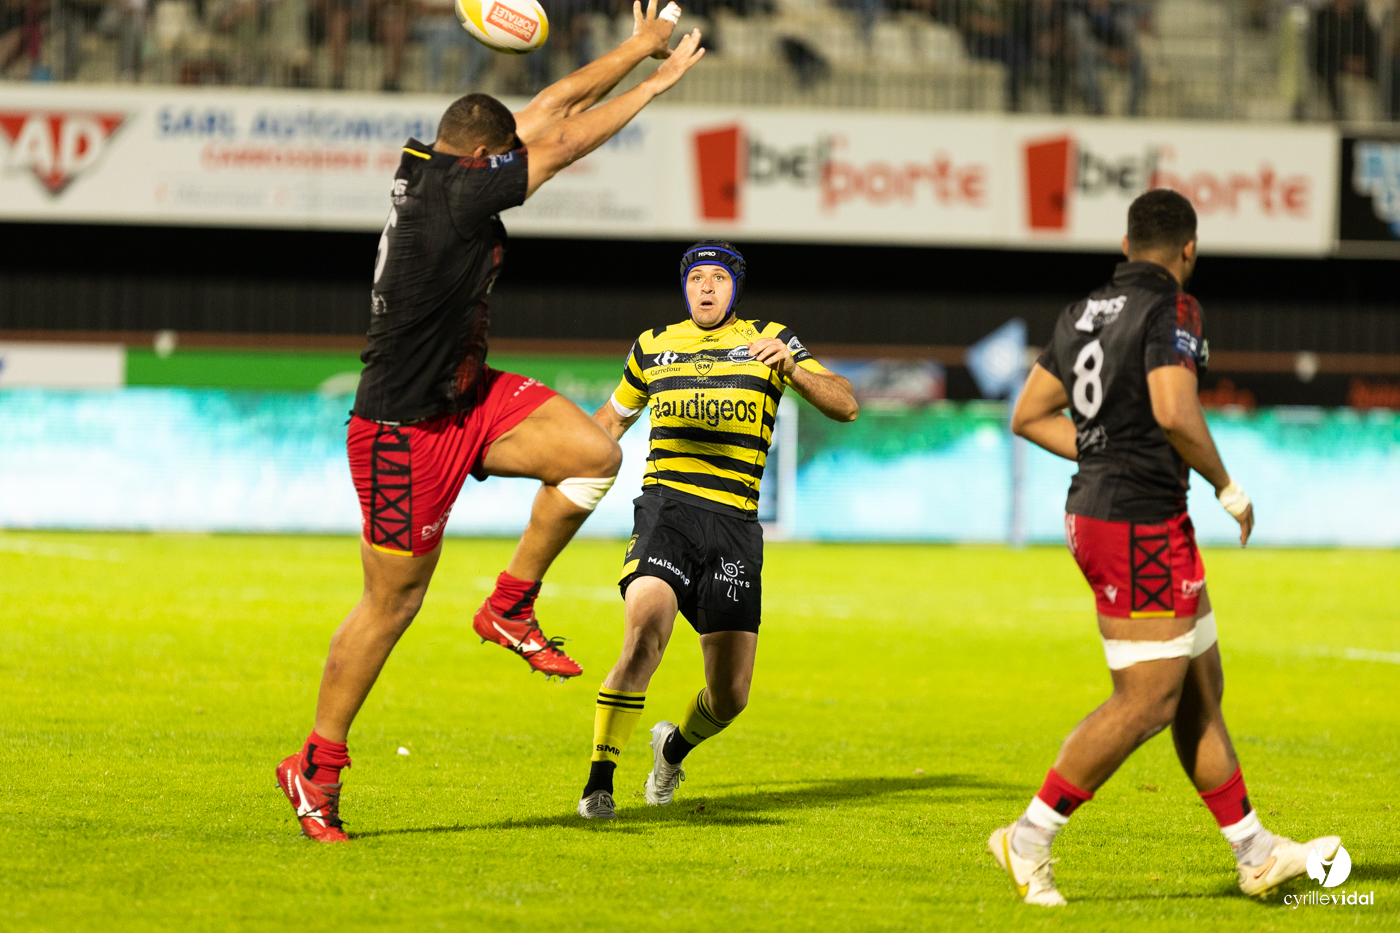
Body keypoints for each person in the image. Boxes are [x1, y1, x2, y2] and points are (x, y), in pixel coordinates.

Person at [276, 2, 704, 843]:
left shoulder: (434, 163)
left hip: (466, 396)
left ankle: (511, 603)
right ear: (481, 161)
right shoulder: (464, 200)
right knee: (390, 604)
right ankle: (315, 766)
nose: (518, 166)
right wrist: (658, 80)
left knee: (591, 451)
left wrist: (637, 42)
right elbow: (569, 140)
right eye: (503, 160)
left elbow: (544, 113)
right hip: (403, 430)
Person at [995, 189, 1341, 905]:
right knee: (1148, 700)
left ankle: (1255, 851)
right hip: (1135, 524)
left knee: (1199, 687)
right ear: (1189, 250)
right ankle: (1027, 836)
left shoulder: (1083, 311)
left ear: (1126, 247)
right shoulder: (1173, 307)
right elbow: (1173, 409)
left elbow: (1028, 414)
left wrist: (1097, 452)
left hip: (1132, 516)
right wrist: (1227, 484)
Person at [575, 241, 859, 820]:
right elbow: (609, 422)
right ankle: (598, 782)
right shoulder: (653, 347)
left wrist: (794, 368)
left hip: (733, 527)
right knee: (644, 631)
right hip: (666, 511)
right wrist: (556, 459)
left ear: (735, 289)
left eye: (718, 279)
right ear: (685, 288)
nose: (706, 287)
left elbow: (847, 403)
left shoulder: (772, 338)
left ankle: (671, 749)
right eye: (696, 278)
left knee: (730, 696)